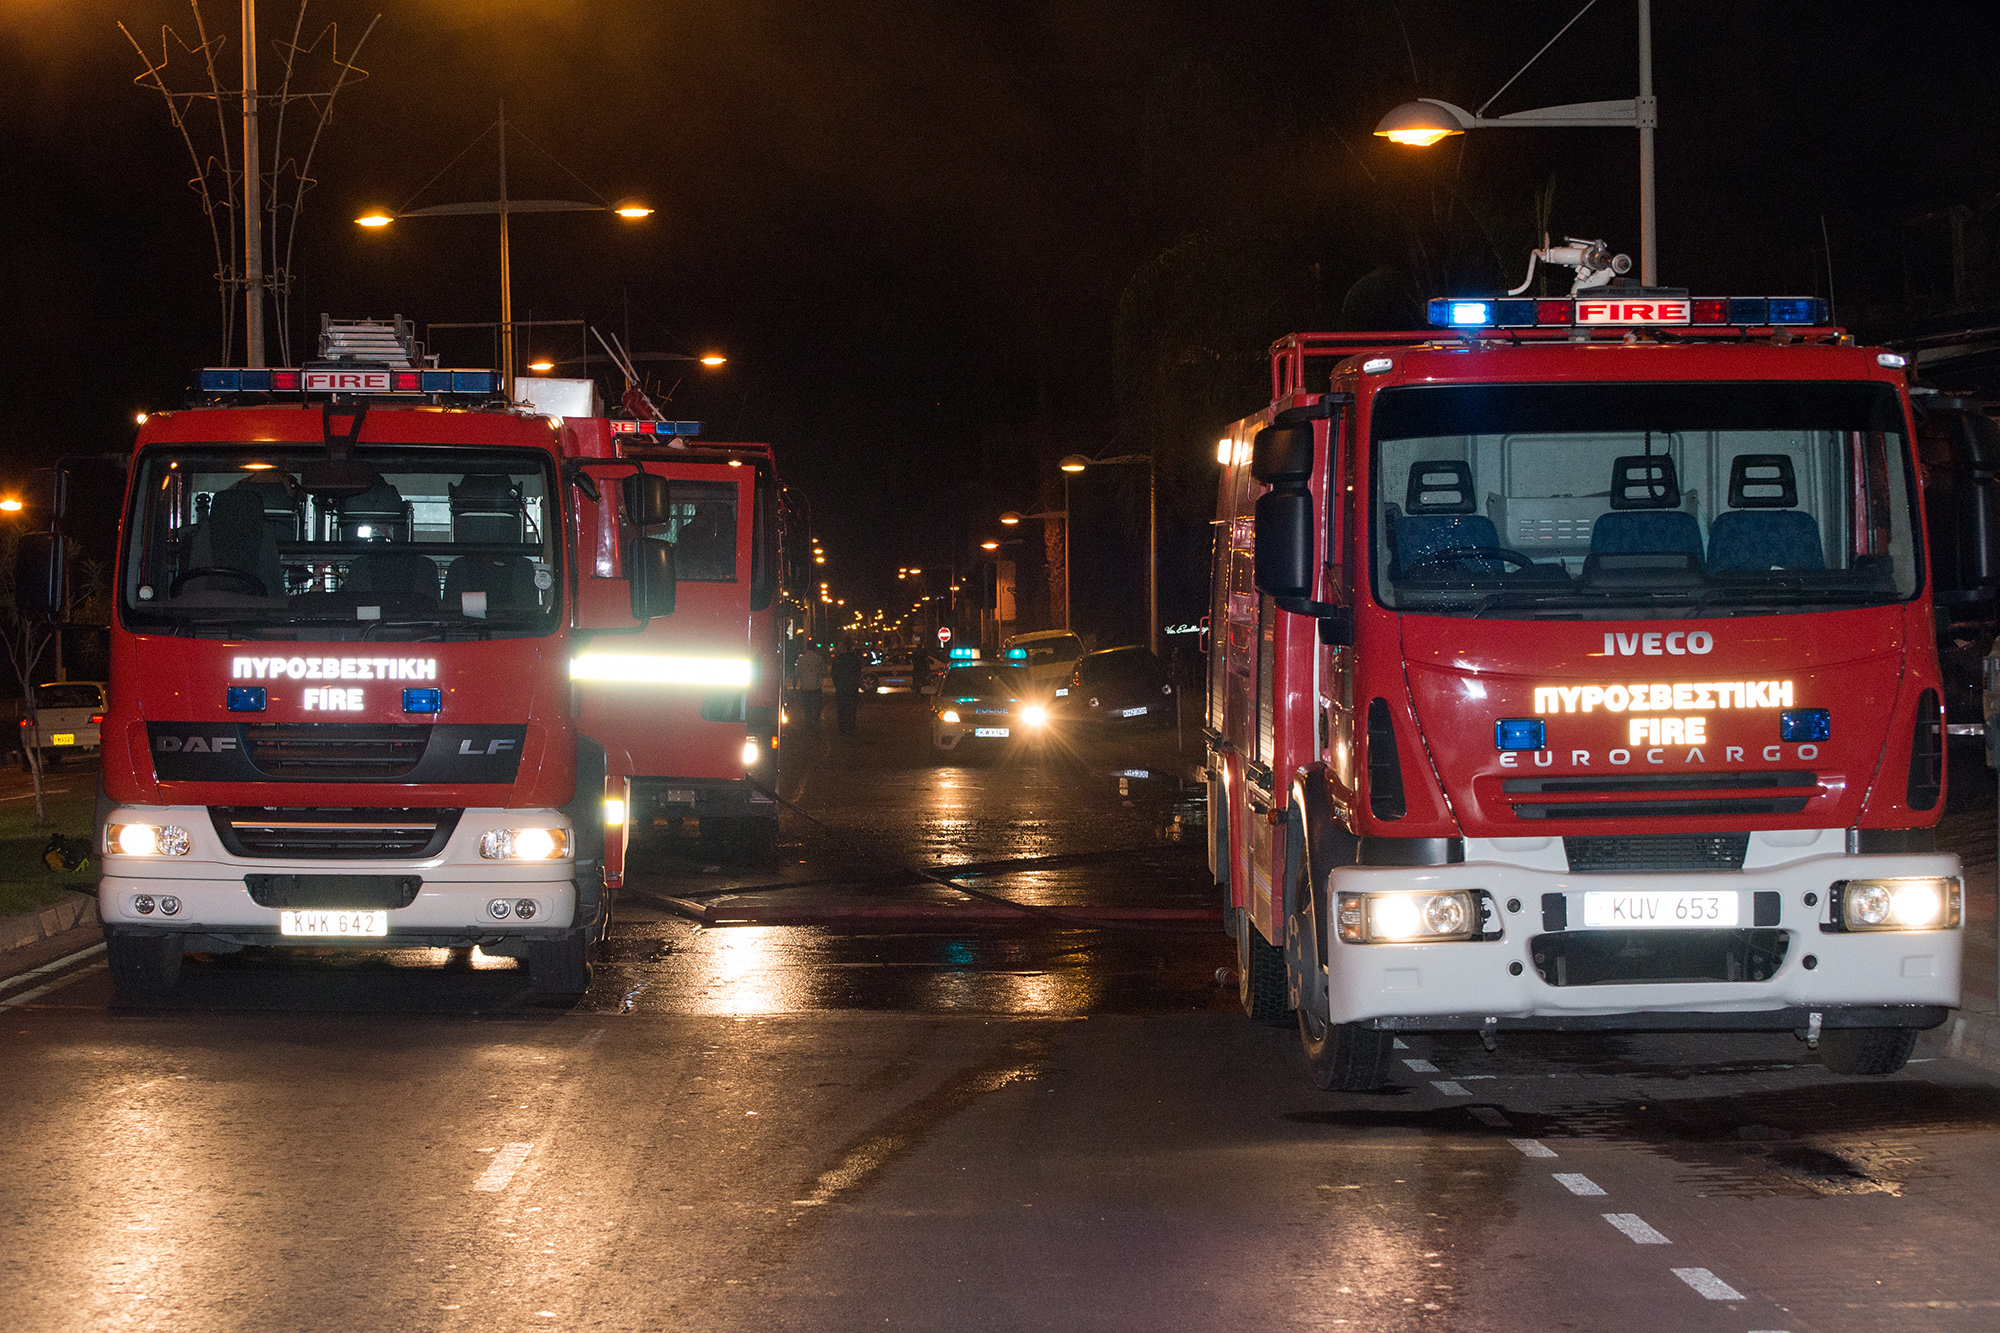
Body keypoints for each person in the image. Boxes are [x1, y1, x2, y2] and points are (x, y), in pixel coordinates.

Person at [830, 641, 865, 734]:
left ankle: (842, 727)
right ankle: (850, 726)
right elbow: (858, 673)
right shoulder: (855, 659)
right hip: (852, 687)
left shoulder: (838, 660)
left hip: (841, 687)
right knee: (851, 708)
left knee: (842, 707)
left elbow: (834, 674)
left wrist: (837, 684)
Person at [793, 640, 826, 728]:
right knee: (816, 706)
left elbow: (796, 674)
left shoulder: (801, 659)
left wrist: (794, 687)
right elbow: (823, 672)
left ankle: (808, 722)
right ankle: (815, 722)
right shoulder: (818, 659)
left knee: (807, 706)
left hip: (805, 687)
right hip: (816, 687)